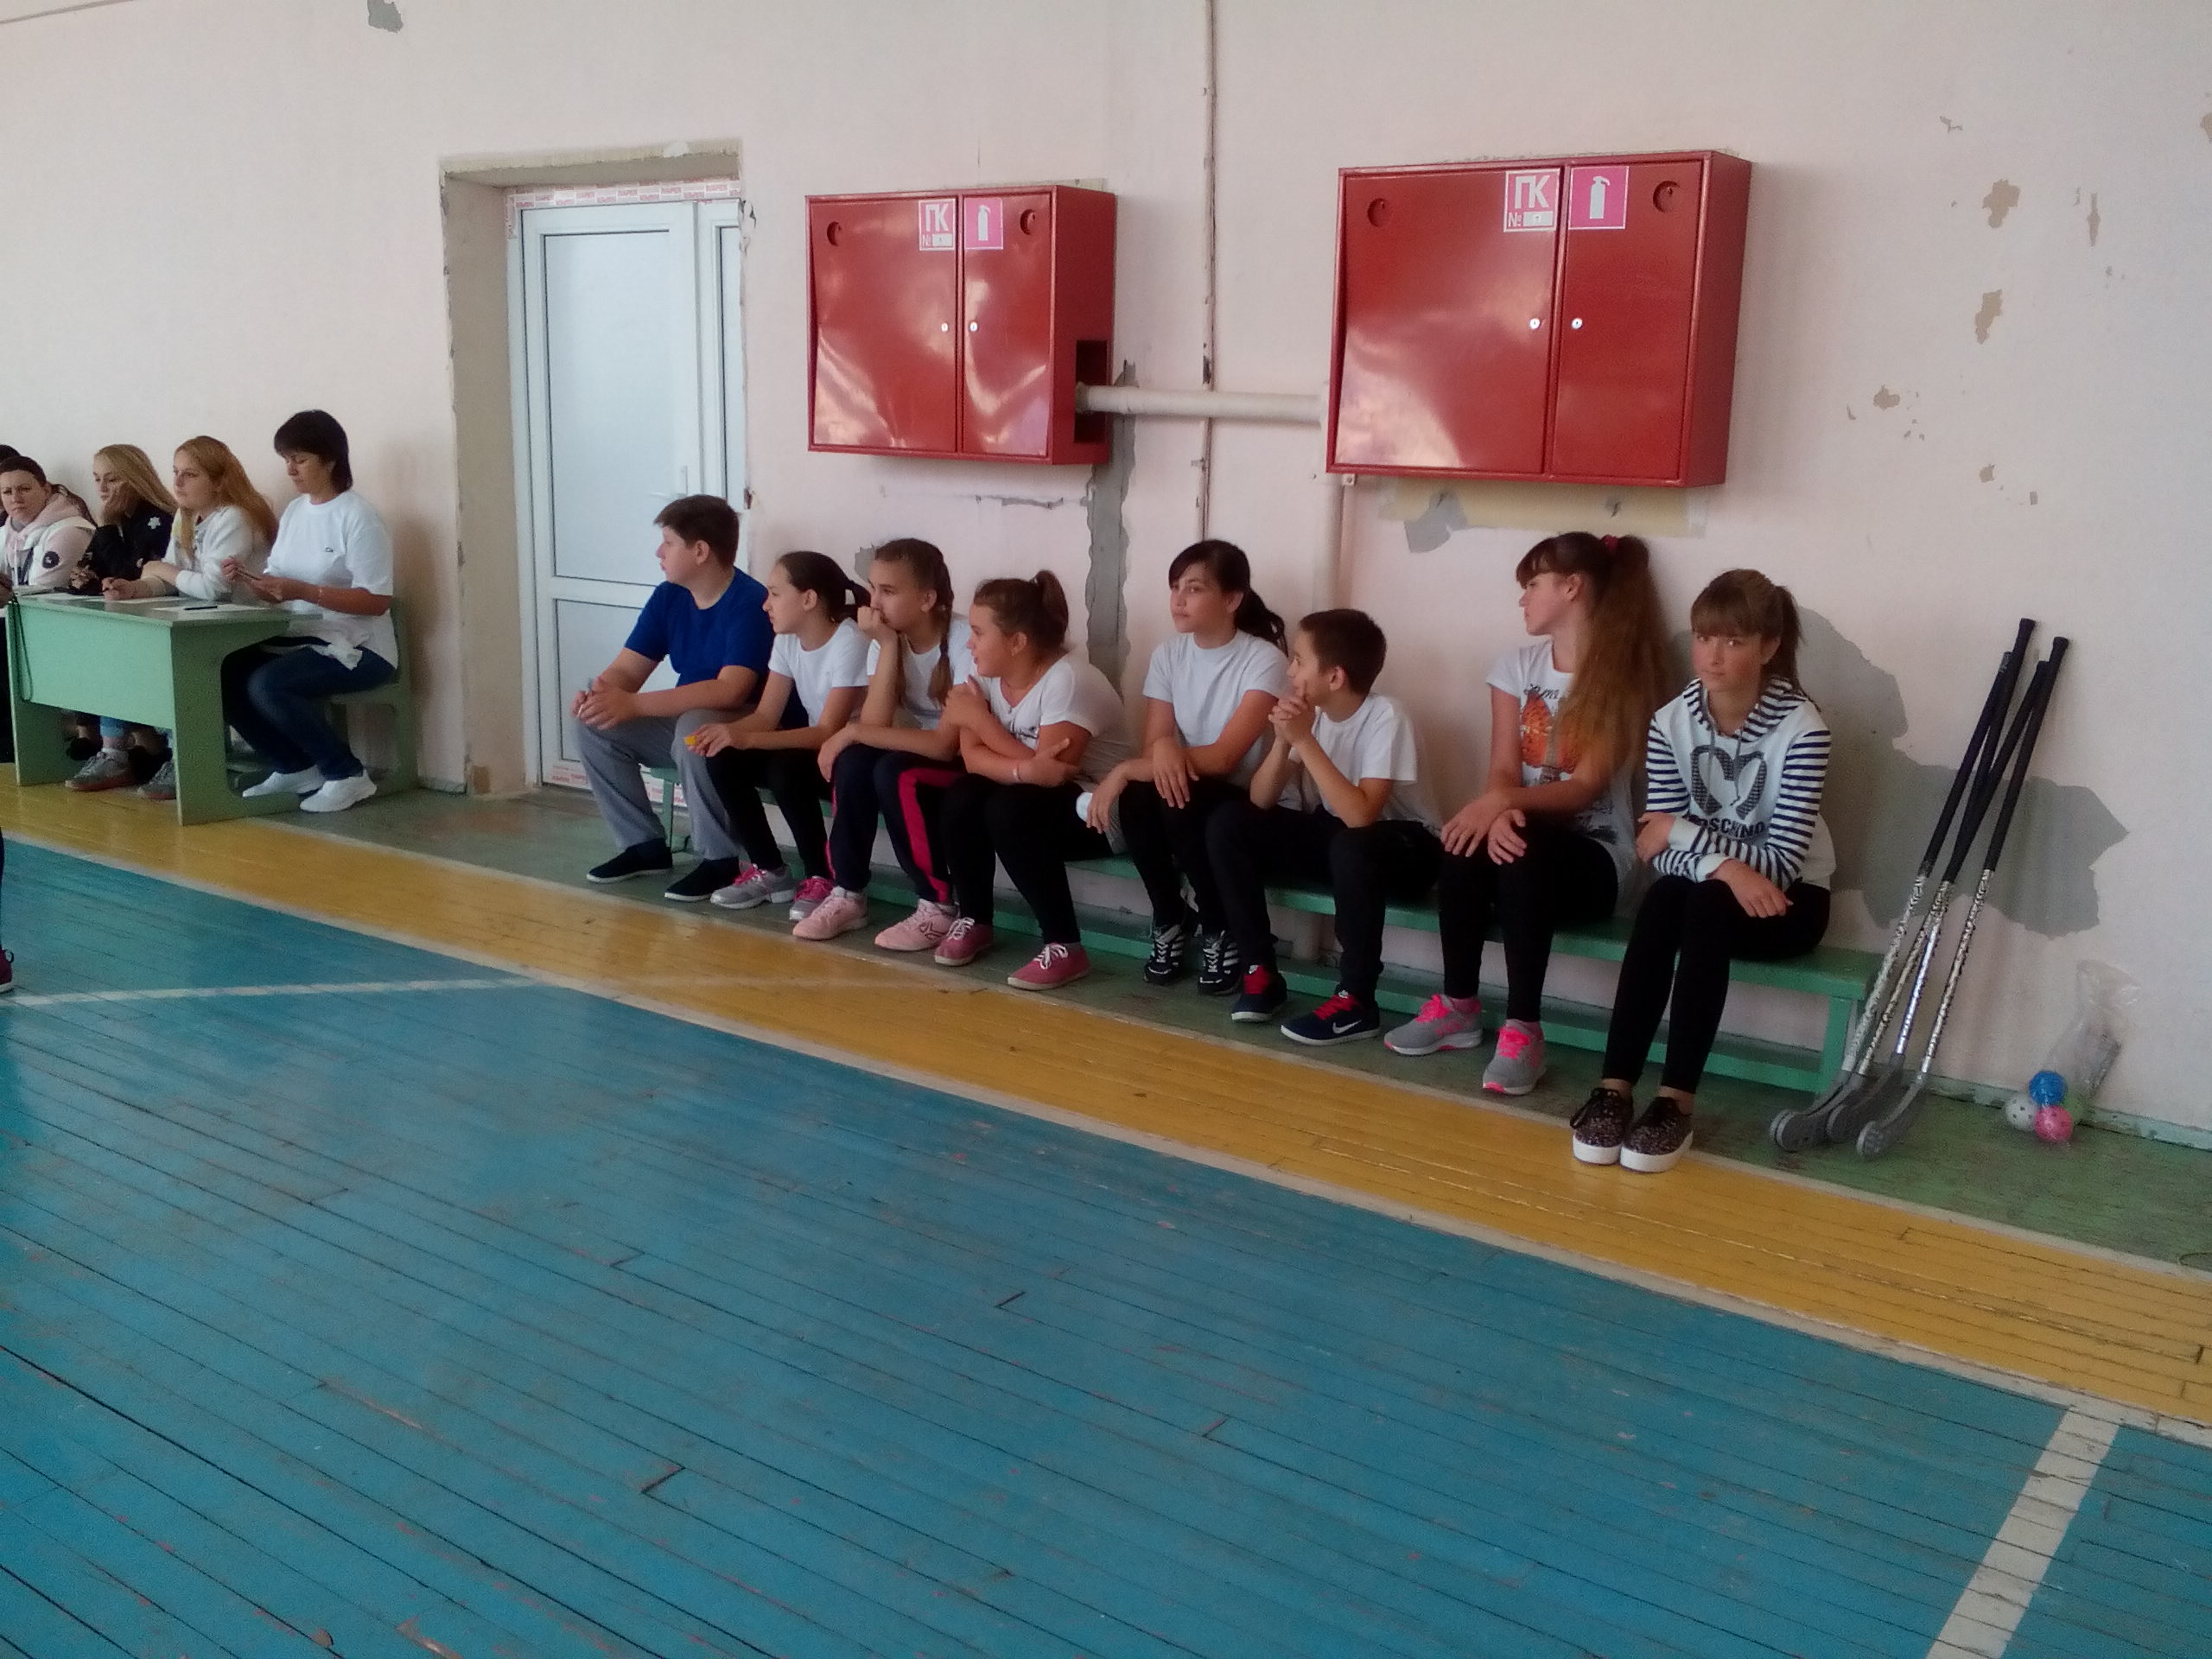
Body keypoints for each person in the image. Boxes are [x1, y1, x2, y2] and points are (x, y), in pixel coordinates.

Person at [1386, 531, 1672, 1094]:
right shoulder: (1515, 666)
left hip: (1599, 859)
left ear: (1571, 588)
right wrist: (1496, 809)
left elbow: (1584, 787)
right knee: (1462, 838)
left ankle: (1524, 1029)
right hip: (1526, 833)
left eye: (1533, 584)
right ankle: (1459, 1006)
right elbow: (1502, 769)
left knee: (1520, 853)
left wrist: (1503, 804)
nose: (1522, 598)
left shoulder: (1621, 674)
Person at [1574, 569, 1834, 1173]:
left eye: (1734, 641)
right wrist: (1723, 865)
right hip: (1706, 894)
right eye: (1703, 638)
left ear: (1768, 647)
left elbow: (1780, 865)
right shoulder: (1671, 721)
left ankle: (1675, 1102)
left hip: (1791, 903)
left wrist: (1685, 833)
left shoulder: (1804, 729)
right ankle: (1614, 1089)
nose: (1713, 656)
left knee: (1704, 901)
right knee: (1670, 896)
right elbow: (1655, 852)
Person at [1208, 608, 1442, 1045]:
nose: (1290, 671)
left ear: (1334, 677)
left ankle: (1357, 1001)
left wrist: (1304, 739)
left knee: (1351, 845)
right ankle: (1260, 971)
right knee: (1231, 822)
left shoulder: (1387, 715)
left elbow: (1362, 816)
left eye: (1299, 661)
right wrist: (1283, 742)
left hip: (1408, 848)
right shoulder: (1312, 718)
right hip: (1343, 841)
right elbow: (1260, 800)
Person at [1083, 539, 1287, 995]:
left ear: (1232, 599)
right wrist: (1157, 754)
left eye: (1194, 589)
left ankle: (1217, 923)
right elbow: (1156, 742)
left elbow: (1226, 757)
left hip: (1244, 797)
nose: (1178, 599)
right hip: (1188, 788)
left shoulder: (1264, 660)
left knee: (1171, 794)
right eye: (1175, 587)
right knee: (1142, 796)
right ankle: (1169, 915)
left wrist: (1126, 768)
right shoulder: (1169, 654)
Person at [933, 569, 1133, 988]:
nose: (969, 643)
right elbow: (974, 759)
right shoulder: (982, 673)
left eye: (978, 633)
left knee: (1010, 809)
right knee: (964, 794)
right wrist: (1022, 768)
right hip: (1039, 797)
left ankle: (1064, 945)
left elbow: (1054, 775)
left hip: (1104, 812)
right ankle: (974, 918)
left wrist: (980, 722)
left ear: (1017, 642)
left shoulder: (1068, 680)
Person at [572, 493, 772, 898]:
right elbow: (629, 669)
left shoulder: (749, 602)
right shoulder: (669, 596)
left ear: (700, 551)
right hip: (689, 723)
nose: (658, 552)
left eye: (668, 542)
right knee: (592, 723)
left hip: (749, 728)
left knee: (695, 727)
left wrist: (634, 704)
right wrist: (601, 694)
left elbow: (731, 691)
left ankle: (719, 859)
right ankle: (643, 845)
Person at [217, 412, 398, 814]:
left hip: (360, 648)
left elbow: (376, 600)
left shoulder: (358, 516)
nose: (291, 469)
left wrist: (306, 591)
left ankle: (346, 773)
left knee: (269, 684)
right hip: (300, 638)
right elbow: (277, 583)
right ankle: (294, 765)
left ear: (329, 460)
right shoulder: (296, 511)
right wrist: (249, 580)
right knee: (224, 671)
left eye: (300, 459)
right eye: (287, 459)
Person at [798, 537, 973, 948]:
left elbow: (946, 747)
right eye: (872, 588)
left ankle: (937, 904)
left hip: (971, 758)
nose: (874, 603)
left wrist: (849, 731)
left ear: (927, 599)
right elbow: (875, 725)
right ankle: (847, 893)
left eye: (888, 591)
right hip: (922, 749)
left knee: (896, 772)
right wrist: (889, 644)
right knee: (856, 761)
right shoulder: (887, 638)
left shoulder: (964, 640)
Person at [76, 438, 275, 800]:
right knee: (118, 649)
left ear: (218, 481)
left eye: (190, 474)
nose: (178, 482)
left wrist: (160, 569)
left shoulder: (234, 517)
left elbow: (213, 589)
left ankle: (179, 755)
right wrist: (135, 589)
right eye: (176, 472)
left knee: (163, 661)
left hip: (248, 630)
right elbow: (171, 581)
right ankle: (115, 753)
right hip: (204, 625)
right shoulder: (186, 516)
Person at [693, 550, 870, 916]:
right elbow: (765, 715)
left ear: (808, 599)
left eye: (774, 594)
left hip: (849, 759)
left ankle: (822, 876)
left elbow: (827, 732)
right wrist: (724, 733)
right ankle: (769, 870)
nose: (765, 605)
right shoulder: (787, 639)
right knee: (724, 758)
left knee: (786, 768)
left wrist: (747, 738)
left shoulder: (849, 641)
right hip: (815, 752)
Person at [1, 455, 95, 596]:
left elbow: (41, 595)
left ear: (46, 490)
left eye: (24, 489)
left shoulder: (69, 531)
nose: (15, 499)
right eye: (7, 492)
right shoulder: (6, 533)